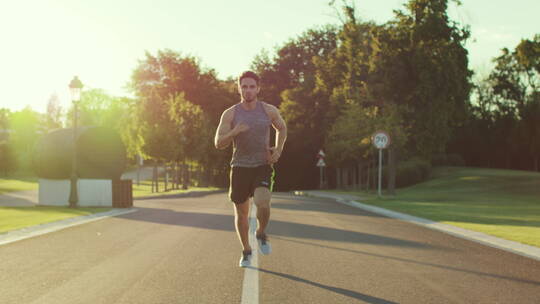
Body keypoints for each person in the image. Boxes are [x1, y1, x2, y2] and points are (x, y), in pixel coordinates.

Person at [214, 71, 287, 267]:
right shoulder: (230, 113)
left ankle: (261, 232)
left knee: (263, 201)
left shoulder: (268, 110)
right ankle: (246, 250)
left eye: (252, 86)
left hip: (262, 164)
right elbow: (218, 143)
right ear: (239, 88)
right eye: (244, 86)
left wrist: (278, 149)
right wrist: (235, 131)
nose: (248, 90)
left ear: (258, 88)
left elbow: (282, 128)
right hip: (239, 167)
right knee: (242, 212)